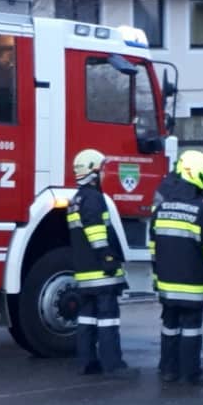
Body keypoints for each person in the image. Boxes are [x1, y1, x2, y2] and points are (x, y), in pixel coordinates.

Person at [148, 149, 203, 385]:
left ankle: (168, 370)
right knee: (191, 328)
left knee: (169, 326)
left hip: (167, 284)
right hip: (194, 285)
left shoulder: (160, 210)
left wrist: (157, 276)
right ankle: (190, 372)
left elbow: (153, 247)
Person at [67, 148, 129, 376]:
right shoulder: (94, 198)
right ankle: (113, 366)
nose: (104, 174)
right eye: (101, 169)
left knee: (86, 320)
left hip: (84, 275)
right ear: (93, 172)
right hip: (100, 273)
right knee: (108, 320)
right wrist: (108, 258)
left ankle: (87, 362)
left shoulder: (75, 200)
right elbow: (96, 232)